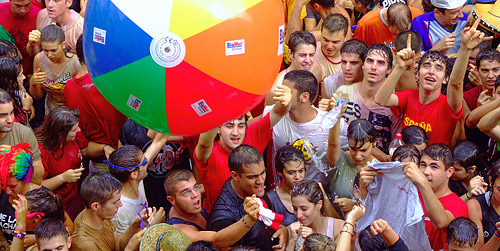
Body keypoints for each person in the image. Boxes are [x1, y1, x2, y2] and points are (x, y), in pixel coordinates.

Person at [374, 18, 492, 146]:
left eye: (438, 68)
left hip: (435, 163)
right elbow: (381, 100)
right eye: (426, 66)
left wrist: (465, 48)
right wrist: (399, 67)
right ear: (417, 74)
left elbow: (456, 82)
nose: (431, 71)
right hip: (407, 161)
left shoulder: (448, 105)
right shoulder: (408, 96)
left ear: (445, 79)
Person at [194, 84, 291, 212]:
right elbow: (204, 144)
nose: (236, 132)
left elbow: (279, 111)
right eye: (229, 126)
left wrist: (288, 97)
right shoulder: (211, 153)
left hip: (258, 214)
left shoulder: (251, 134)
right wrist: (216, 112)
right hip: (223, 220)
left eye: (240, 125)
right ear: (218, 129)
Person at [361, 144, 469, 250]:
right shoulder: (409, 192)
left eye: (434, 167)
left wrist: (423, 183)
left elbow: (440, 221)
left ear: (449, 172)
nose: (426, 172)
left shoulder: (458, 205)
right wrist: (364, 186)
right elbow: (378, 210)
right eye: (423, 165)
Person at [64, 36, 127, 173]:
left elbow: (84, 147)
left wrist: (104, 148)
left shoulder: (69, 88)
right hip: (126, 159)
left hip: (98, 163)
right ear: (92, 52)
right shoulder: (110, 80)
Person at [207, 145, 286, 251]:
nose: (260, 181)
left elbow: (267, 223)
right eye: (252, 177)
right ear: (235, 176)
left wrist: (282, 230)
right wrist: (248, 221)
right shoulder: (224, 216)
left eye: (263, 173)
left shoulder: (252, 188)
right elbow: (219, 244)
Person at [36, 107, 109, 220]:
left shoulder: (75, 136)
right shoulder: (41, 152)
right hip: (56, 203)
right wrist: (62, 178)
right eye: (74, 129)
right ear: (61, 133)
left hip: (75, 196)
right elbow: (37, 186)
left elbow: (85, 149)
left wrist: (104, 148)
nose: (79, 130)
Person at [332, 43, 401, 157]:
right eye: (370, 61)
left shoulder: (394, 103)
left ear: (389, 69)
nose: (374, 67)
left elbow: (395, 149)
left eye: (380, 63)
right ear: (363, 65)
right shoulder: (343, 93)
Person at [164, 169, 261, 249]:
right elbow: (217, 241)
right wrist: (249, 220)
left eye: (195, 187)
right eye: (186, 193)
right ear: (172, 200)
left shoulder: (187, 204)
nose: (195, 195)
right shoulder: (181, 231)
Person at [264, 70, 329, 187]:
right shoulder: (274, 112)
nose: (279, 94)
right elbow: (248, 129)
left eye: (287, 91)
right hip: (279, 196)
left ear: (304, 97)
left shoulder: (328, 123)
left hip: (314, 199)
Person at [71, 171, 162, 251]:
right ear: (95, 206)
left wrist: (136, 223)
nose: (121, 205)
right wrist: (130, 248)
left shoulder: (101, 215)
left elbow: (117, 245)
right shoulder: (85, 245)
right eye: (115, 202)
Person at [107, 138, 169, 234]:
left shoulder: (136, 180)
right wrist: (153, 226)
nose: (147, 163)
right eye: (144, 162)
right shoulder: (119, 209)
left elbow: (158, 142)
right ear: (134, 174)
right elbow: (125, 246)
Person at [328, 117, 379, 215]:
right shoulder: (340, 160)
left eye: (363, 150)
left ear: (374, 144)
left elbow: (379, 208)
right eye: (353, 149)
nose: (358, 156)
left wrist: (354, 204)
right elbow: (333, 144)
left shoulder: (380, 169)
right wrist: (336, 117)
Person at [30, 24, 79, 115]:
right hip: (51, 112)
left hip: (73, 113)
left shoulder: (75, 63)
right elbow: (38, 96)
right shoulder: (39, 59)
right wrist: (33, 83)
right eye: (45, 50)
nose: (49, 55)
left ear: (63, 44)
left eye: (53, 50)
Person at [265, 31, 322, 106]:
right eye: (302, 55)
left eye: (311, 55)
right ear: (290, 54)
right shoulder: (278, 87)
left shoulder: (316, 71)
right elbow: (269, 115)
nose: (308, 60)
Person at [286, 180, 345, 251]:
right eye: (295, 209)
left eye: (304, 209)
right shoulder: (292, 231)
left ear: (319, 204)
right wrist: (291, 241)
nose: (298, 215)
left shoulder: (339, 228)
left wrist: (314, 241)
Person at [0, 89, 43, 183]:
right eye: (2, 116)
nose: (10, 120)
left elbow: (39, 178)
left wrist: (20, 160)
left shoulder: (24, 133)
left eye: (11, 113)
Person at [0, 0, 42, 76]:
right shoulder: (1, 11)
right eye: (18, 6)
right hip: (6, 74)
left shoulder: (40, 14)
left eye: (27, 5)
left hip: (31, 72)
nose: (23, 10)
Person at [353, 3, 423, 47]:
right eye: (395, 33)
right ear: (387, 21)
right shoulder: (366, 24)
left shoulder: (417, 16)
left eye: (405, 32)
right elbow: (358, 50)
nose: (400, 37)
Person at [267, 145, 305, 226]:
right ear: (280, 172)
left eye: (301, 171)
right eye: (291, 173)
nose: (298, 177)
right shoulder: (270, 200)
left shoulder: (310, 192)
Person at [286, 0, 352, 44]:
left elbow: (292, 41)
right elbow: (313, 32)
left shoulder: (336, 21)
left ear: (316, 6)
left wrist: (298, 5)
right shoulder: (329, 13)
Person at [468, 161, 500, 249]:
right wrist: (498, 235)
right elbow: (477, 249)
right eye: (499, 190)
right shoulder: (475, 206)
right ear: (490, 180)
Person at [313, 13, 349, 80]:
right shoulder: (310, 53)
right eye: (326, 40)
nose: (329, 46)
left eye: (335, 42)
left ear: (345, 38)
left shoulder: (350, 62)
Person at [0, 56, 34, 126]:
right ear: (9, 80)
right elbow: (11, 128)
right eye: (20, 75)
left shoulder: (14, 91)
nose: (24, 77)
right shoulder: (2, 102)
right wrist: (25, 109)